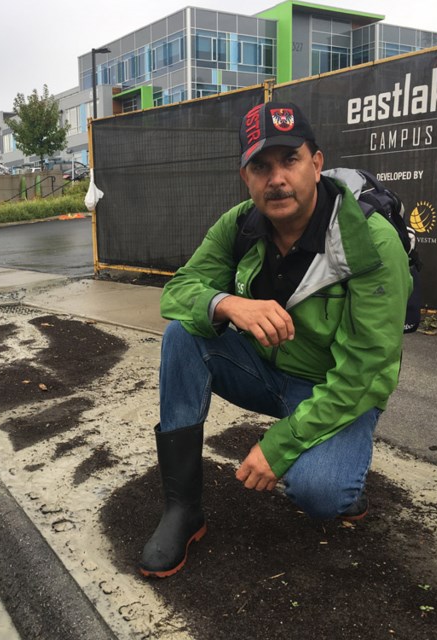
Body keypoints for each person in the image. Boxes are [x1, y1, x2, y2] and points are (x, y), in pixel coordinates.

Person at [139, 101, 412, 578]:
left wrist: (280, 445)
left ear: (317, 163)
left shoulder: (370, 240)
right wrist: (228, 304)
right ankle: (183, 509)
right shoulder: (241, 224)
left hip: (338, 388)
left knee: (320, 493)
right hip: (267, 372)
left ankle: (345, 482)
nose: (277, 179)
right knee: (184, 334)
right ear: (245, 176)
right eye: (260, 166)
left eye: (290, 160)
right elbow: (178, 292)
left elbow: (367, 370)